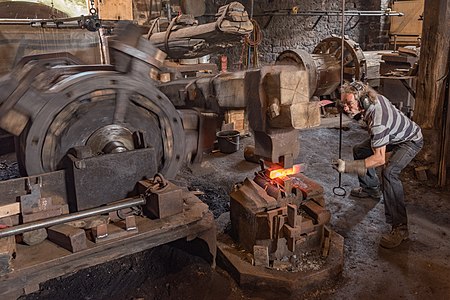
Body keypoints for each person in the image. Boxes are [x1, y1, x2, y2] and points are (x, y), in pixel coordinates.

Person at [333, 81, 423, 249]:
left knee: (389, 173)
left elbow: (379, 159)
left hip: (409, 140)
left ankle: (400, 228)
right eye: (343, 103)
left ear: (363, 101)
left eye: (349, 103)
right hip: (393, 135)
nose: (345, 108)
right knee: (360, 150)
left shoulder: (378, 122)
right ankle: (371, 189)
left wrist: (347, 167)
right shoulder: (372, 101)